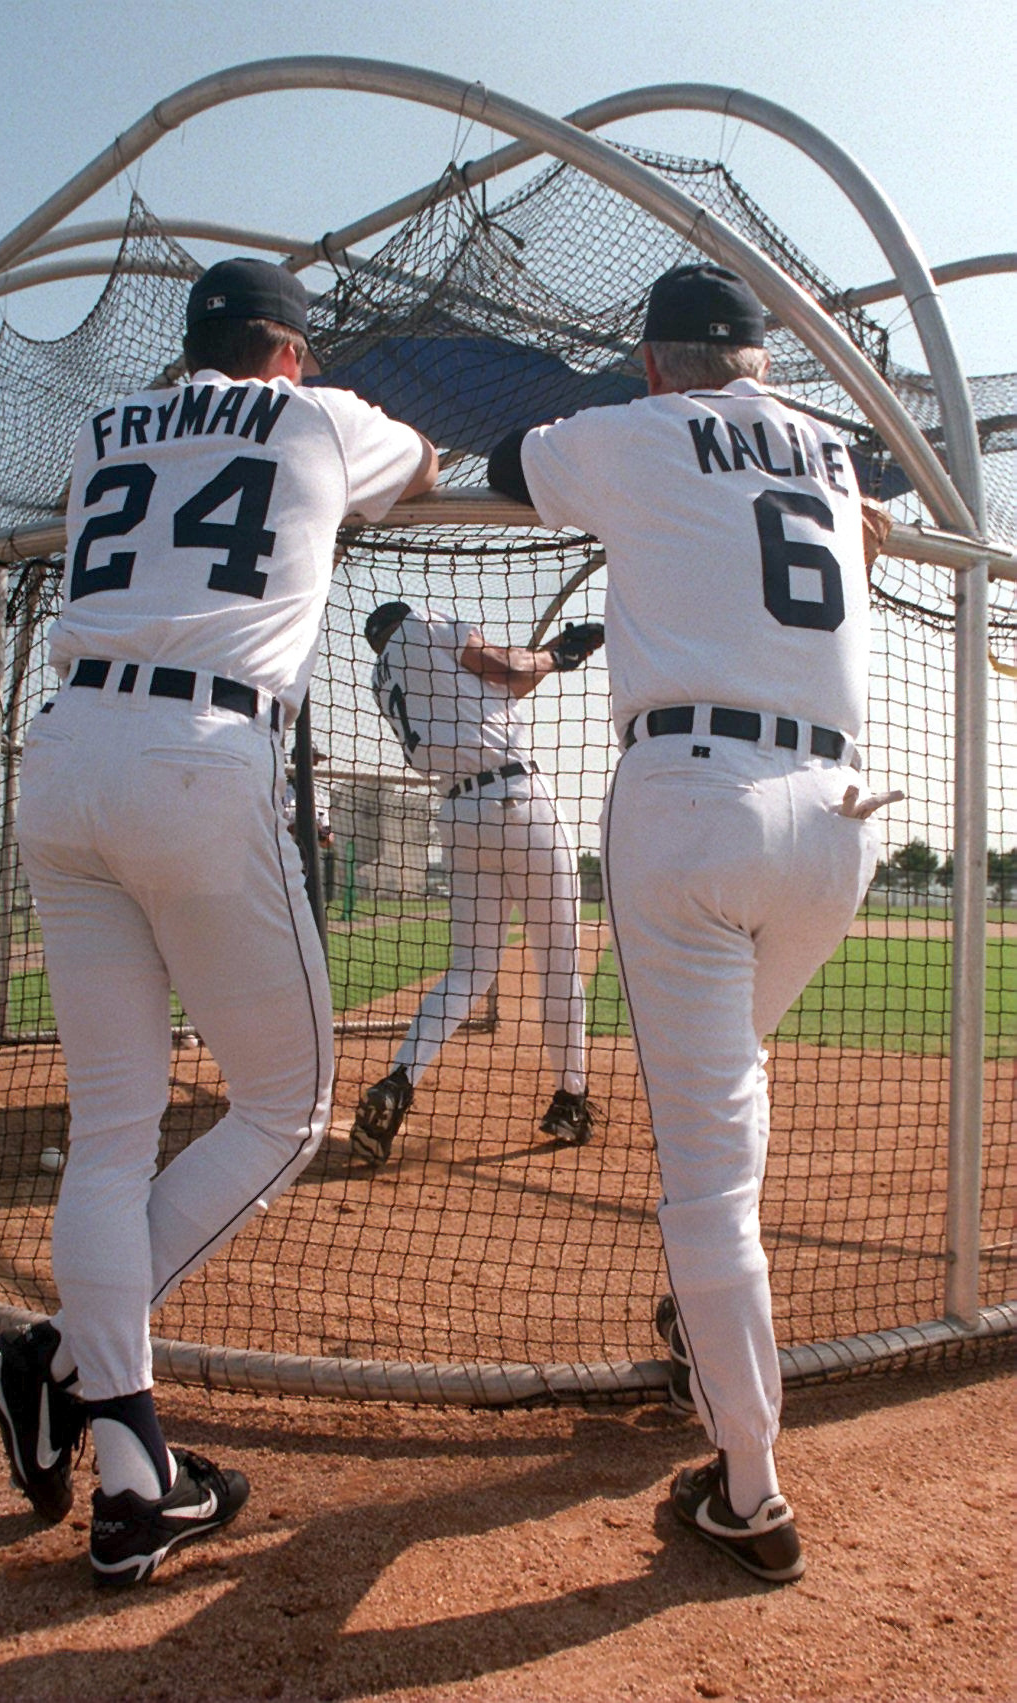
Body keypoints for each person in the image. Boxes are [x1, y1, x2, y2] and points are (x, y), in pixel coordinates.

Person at [0, 257, 438, 1585]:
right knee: (285, 1104)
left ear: (189, 346)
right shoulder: (318, 414)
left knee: (111, 1131)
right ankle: (60, 1359)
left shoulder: (101, 425)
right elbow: (422, 458)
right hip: (199, 750)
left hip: (61, 758)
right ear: (285, 352)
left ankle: (127, 1469)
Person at [487, 262, 896, 1586]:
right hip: (840, 816)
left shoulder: (634, 423)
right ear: (760, 359)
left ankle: (751, 1485)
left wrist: (622, 433)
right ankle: (700, 1325)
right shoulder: (830, 453)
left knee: (706, 1160)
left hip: (692, 796)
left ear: (657, 362)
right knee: (726, 1089)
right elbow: (834, 514)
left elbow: (505, 464)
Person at [350, 600, 604, 1166]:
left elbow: (499, 691)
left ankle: (398, 1083)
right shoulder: (425, 623)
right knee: (559, 962)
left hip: (459, 815)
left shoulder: (381, 677)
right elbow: (503, 667)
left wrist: (550, 660)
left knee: (469, 969)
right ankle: (571, 1099)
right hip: (519, 801)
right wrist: (554, 657)